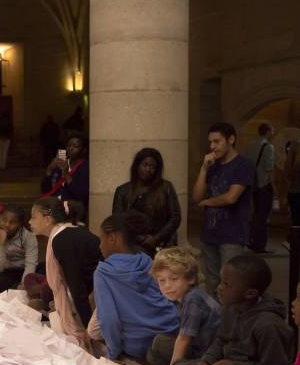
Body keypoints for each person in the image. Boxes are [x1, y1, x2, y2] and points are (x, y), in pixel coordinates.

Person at [168, 255, 293, 365]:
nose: (219, 287)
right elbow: (221, 340)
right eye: (221, 281)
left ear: (250, 294)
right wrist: (207, 362)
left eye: (226, 284)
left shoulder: (269, 324)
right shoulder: (231, 307)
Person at [88, 212, 180, 361]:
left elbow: (109, 319)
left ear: (113, 238)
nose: (100, 245)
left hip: (139, 343)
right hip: (170, 329)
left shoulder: (104, 272)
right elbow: (169, 296)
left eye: (101, 239)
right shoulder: (147, 261)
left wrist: (113, 352)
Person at [193, 122, 256, 295]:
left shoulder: (243, 165)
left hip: (232, 236)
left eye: (217, 141)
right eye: (210, 142)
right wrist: (204, 169)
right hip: (209, 234)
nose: (212, 146)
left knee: (230, 285)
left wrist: (207, 202)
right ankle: (216, 322)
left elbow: (231, 197)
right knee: (212, 285)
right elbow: (196, 197)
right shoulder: (212, 165)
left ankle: (230, 321)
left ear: (231, 139)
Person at [26, 198, 101, 342]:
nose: (29, 222)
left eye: (33, 217)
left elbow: (77, 285)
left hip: (98, 295)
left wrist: (87, 328)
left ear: (47, 220)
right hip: (90, 290)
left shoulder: (62, 239)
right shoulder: (66, 233)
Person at [146, 247, 221, 365]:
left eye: (174, 279)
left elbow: (184, 339)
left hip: (207, 355)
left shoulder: (193, 300)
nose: (167, 286)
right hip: (203, 348)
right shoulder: (192, 295)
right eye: (161, 280)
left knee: (159, 343)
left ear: (190, 278)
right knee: (153, 352)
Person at [112, 148, 181, 255]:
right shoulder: (123, 191)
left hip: (162, 244)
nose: (148, 169)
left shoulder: (166, 187)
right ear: (137, 165)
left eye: (153, 167)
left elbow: (175, 217)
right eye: (145, 165)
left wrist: (156, 238)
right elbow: (118, 220)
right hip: (133, 244)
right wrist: (141, 239)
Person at [0, 205, 38, 293]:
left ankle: (15, 287)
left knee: (41, 273)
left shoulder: (29, 237)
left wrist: (24, 283)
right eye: (4, 220)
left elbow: (30, 264)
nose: (7, 225)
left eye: (12, 223)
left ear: (20, 224)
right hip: (2, 271)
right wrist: (1, 244)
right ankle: (13, 287)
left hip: (21, 270)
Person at [243, 123, 276, 253]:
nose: (273, 132)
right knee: (263, 216)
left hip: (254, 185)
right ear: (268, 131)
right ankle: (260, 245)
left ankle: (251, 240)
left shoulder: (251, 145)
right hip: (264, 185)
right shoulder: (268, 147)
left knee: (256, 214)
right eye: (272, 130)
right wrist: (274, 186)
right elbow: (269, 168)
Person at [42, 133, 90, 212]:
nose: (71, 148)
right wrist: (50, 169)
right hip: (56, 203)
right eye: (69, 146)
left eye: (75, 146)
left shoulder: (85, 166)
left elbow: (81, 194)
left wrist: (66, 173)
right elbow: (46, 188)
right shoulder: (62, 163)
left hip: (73, 207)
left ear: (84, 150)